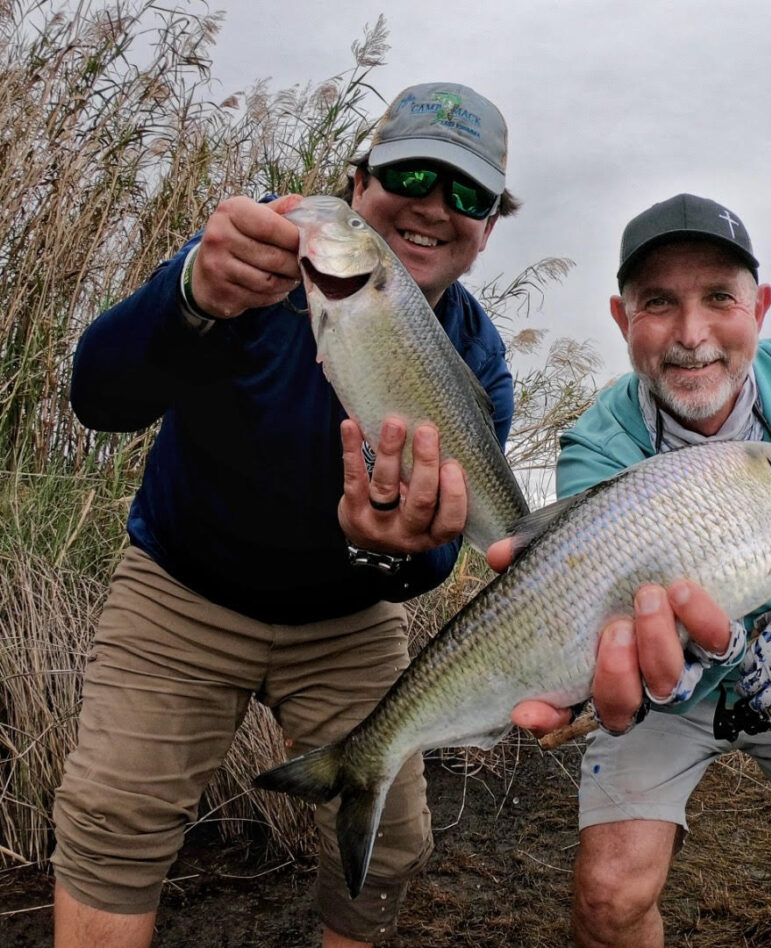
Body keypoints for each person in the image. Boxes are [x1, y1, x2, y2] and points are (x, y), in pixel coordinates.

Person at [53, 81, 518, 948]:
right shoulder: (248, 275)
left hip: (348, 621)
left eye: (467, 193)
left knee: (390, 846)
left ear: (490, 226)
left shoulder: (479, 364)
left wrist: (385, 554)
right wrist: (189, 293)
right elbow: (97, 398)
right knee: (114, 819)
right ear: (356, 183)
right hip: (181, 590)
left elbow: (436, 559)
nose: (431, 207)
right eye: (409, 174)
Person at [502, 193, 771, 947]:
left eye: (720, 299)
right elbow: (612, 635)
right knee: (609, 895)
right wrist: (678, 663)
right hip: (672, 693)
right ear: (621, 318)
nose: (692, 336)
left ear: (759, 307)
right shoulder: (594, 448)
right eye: (658, 302)